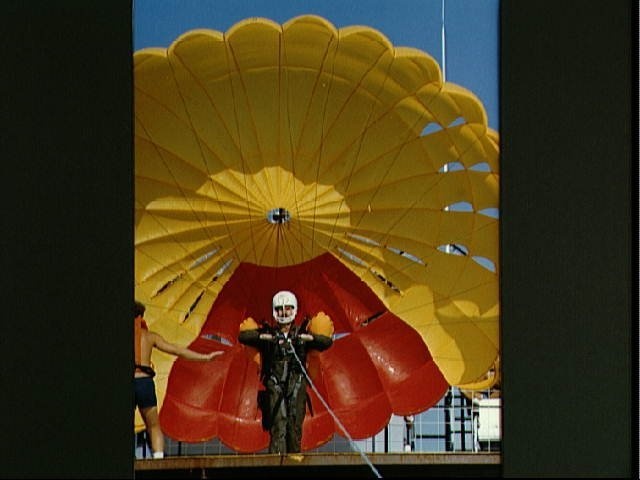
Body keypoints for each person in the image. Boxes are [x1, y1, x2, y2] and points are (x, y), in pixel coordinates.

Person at [238, 290, 333, 455]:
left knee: (294, 426)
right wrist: (267, 338)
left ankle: (293, 464)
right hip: (275, 385)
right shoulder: (269, 334)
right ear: (275, 312)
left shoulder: (301, 335)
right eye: (280, 309)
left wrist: (306, 339)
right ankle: (276, 465)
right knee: (278, 424)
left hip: (296, 383)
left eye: (288, 309)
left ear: (294, 310)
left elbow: (326, 342)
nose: (284, 313)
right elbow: (244, 336)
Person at [134, 300, 223, 459]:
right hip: (144, 383)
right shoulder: (149, 336)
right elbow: (177, 350)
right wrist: (205, 358)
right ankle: (158, 459)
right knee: (153, 426)